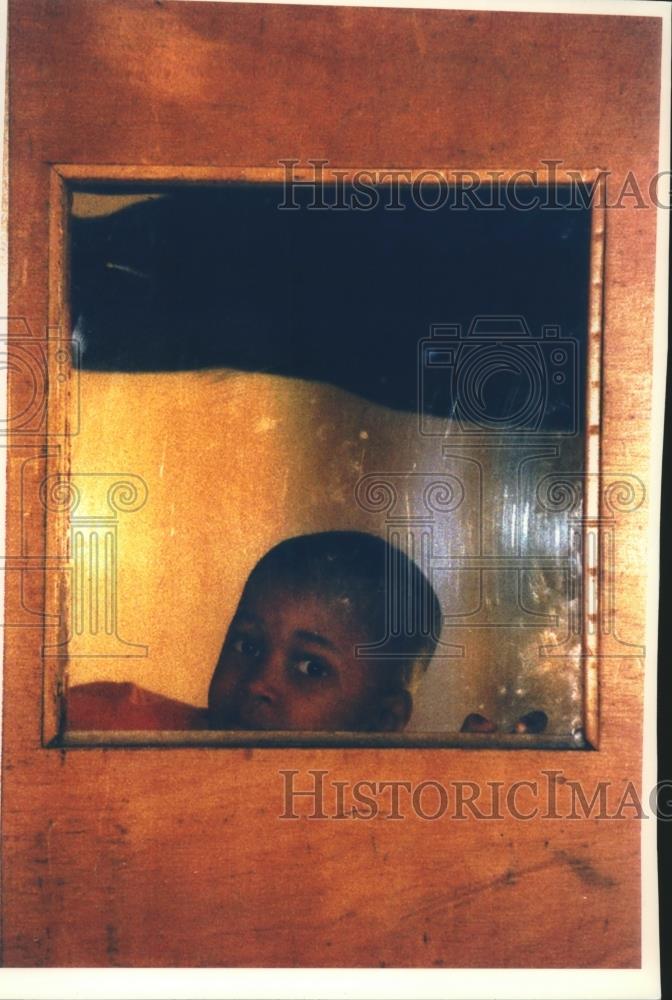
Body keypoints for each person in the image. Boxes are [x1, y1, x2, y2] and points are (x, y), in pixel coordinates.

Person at [67, 531, 442, 733]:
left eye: (311, 668)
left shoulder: (389, 812)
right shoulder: (125, 730)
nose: (257, 683)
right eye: (247, 645)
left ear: (383, 720)